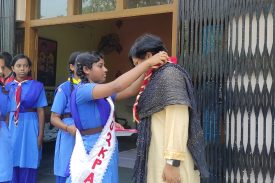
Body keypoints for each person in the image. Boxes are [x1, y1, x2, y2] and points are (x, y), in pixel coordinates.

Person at [67, 51, 168, 183]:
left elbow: (131, 90)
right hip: (93, 148)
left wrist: (146, 70)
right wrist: (148, 62)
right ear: (86, 69)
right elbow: (117, 85)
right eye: (100, 66)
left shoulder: (100, 91)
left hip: (107, 146)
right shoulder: (83, 90)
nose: (105, 69)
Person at [130, 34, 209, 183]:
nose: (137, 68)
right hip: (158, 157)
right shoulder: (155, 77)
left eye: (137, 63)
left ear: (148, 56)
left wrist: (172, 163)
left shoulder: (170, 75)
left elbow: (178, 120)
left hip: (170, 164)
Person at [7, 54, 48, 183]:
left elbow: (41, 111)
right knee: (11, 157)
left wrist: (41, 134)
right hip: (12, 125)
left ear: (29, 68)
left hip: (31, 124)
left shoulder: (37, 86)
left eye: (25, 66)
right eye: (19, 66)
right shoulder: (6, 88)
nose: (22, 69)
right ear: (13, 68)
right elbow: (5, 111)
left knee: (29, 157)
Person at [50, 52, 81, 183]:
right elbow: (54, 117)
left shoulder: (93, 87)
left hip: (87, 132)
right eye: (79, 65)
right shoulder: (64, 88)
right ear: (71, 67)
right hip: (69, 132)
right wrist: (68, 128)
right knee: (67, 169)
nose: (83, 68)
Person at [0, 63, 13, 183]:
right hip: (3, 132)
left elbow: (8, 114)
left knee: (4, 171)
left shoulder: (5, 91)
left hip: (3, 132)